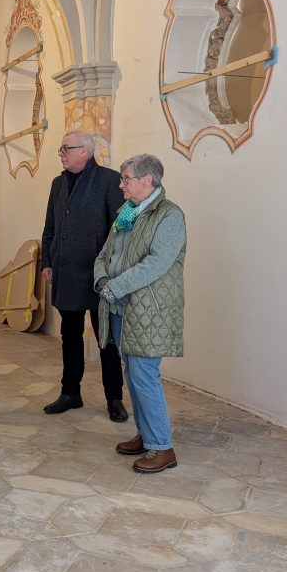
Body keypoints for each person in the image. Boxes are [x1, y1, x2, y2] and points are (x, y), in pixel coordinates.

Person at [94, 154, 186, 474]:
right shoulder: (127, 212)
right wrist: (102, 280)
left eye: (126, 179)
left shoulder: (170, 215)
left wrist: (114, 286)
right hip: (121, 306)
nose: (121, 185)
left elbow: (156, 263)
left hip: (149, 309)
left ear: (147, 180)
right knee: (133, 374)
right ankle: (146, 435)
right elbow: (105, 254)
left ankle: (162, 447)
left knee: (145, 374)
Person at [41, 131, 127, 421]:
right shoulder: (58, 183)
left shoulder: (109, 180)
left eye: (66, 148)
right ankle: (70, 393)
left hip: (98, 276)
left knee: (107, 340)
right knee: (70, 336)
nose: (61, 153)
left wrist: (112, 270)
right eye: (61, 149)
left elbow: (120, 230)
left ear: (85, 151)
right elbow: (50, 225)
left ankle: (114, 398)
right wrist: (46, 261)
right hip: (66, 272)